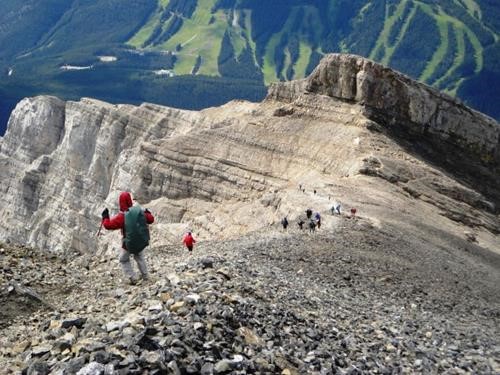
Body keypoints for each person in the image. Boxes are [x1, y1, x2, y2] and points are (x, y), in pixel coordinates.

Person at [102, 192, 154, 285]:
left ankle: (133, 278)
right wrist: (147, 212)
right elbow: (151, 219)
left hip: (128, 243)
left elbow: (108, 225)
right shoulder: (139, 211)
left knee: (123, 259)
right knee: (139, 257)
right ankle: (146, 276)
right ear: (130, 200)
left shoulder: (122, 217)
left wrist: (105, 217)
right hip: (140, 240)